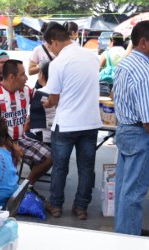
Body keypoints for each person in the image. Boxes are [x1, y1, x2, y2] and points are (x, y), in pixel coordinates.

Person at [113, 20, 149, 236]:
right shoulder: (144, 71)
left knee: (124, 190)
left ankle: (127, 230)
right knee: (133, 193)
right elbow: (148, 117)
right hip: (139, 133)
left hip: (127, 131)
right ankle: (128, 238)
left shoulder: (126, 63)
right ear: (143, 42)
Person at [42, 22, 102, 220]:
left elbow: (54, 99)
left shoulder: (58, 63)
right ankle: (81, 207)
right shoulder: (92, 57)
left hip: (67, 124)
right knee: (86, 167)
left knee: (60, 167)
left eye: (49, 46)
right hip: (91, 123)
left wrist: (45, 103)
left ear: (54, 42)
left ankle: (56, 206)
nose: (51, 50)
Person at [0, 59, 53, 197]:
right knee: (8, 169)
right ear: (12, 77)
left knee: (51, 156)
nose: (27, 78)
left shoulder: (26, 91)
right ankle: (8, 194)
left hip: (21, 140)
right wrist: (7, 144)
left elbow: (48, 96)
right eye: (23, 74)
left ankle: (25, 187)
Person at [27, 62, 56, 144]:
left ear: (41, 74)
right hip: (59, 135)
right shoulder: (63, 91)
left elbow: (30, 119)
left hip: (42, 136)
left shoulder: (39, 93)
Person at [28, 22, 56, 89]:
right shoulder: (38, 50)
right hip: (43, 84)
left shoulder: (62, 49)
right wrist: (43, 66)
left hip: (58, 83)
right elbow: (30, 71)